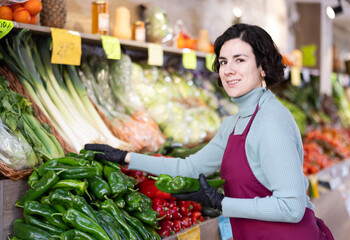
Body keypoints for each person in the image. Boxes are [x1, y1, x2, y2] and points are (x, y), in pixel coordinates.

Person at [85, 23, 334, 240]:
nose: (228, 69)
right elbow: (189, 168)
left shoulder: (271, 121)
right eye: (223, 61)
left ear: (263, 67)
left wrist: (221, 203)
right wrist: (125, 157)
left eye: (240, 60)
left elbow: (291, 207)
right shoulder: (234, 124)